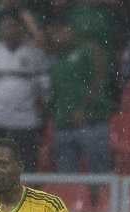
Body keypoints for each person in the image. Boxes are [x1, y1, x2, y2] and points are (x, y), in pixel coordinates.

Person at [0, 12, 49, 170]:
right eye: (5, 27)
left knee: (27, 167)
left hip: (25, 120)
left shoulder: (34, 53)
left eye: (13, 26)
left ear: (21, 29)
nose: (9, 30)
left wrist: (42, 106)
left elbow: (44, 87)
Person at [47, 18, 114, 173]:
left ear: (70, 30)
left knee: (100, 178)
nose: (58, 35)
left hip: (92, 122)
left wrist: (84, 108)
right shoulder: (55, 61)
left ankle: (100, 197)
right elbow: (54, 94)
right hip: (63, 125)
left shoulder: (89, 50)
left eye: (61, 30)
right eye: (54, 32)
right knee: (67, 181)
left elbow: (98, 79)